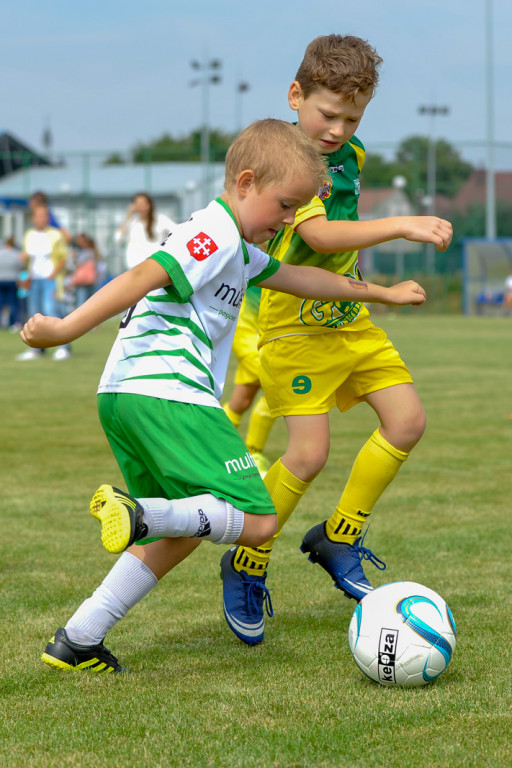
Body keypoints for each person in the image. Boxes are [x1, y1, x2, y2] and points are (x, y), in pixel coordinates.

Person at [21, 118, 427, 673]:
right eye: (284, 206)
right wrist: (65, 329)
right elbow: (144, 274)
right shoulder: (211, 233)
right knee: (255, 520)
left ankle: (78, 638)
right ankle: (141, 514)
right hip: (168, 392)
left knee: (184, 530)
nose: (289, 220)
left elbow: (304, 278)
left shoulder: (239, 247)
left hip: (125, 396)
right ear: (245, 181)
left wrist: (383, 294)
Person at [220, 34, 453, 646]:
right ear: (296, 96)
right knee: (307, 455)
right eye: (328, 114)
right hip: (294, 325)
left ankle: (338, 536)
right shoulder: (287, 163)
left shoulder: (352, 156)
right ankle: (246, 559)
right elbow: (321, 237)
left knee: (406, 422)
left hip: (348, 319)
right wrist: (402, 224)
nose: (337, 129)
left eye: (352, 118)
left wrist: (375, 291)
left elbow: (342, 237)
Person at [223, 286, 275, 477]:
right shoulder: (255, 258)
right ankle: (253, 453)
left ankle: (207, 444)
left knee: (241, 401)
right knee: (278, 387)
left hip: (266, 335)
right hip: (247, 333)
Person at [17, 205, 70, 361]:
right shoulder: (29, 235)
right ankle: (35, 349)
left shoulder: (55, 235)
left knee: (51, 311)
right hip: (34, 279)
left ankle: (64, 347)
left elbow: (63, 257)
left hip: (50, 279)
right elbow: (27, 256)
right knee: (34, 313)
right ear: (33, 218)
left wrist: (53, 274)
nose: (41, 219)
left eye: (44, 216)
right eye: (38, 216)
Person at [116, 192, 176, 270]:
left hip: (154, 267)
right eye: (138, 204)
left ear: (149, 205)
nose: (141, 207)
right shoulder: (132, 222)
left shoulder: (160, 219)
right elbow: (118, 238)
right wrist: (129, 216)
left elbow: (176, 231)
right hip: (134, 268)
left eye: (143, 204)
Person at [71, 233, 99, 308]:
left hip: (83, 280)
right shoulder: (93, 251)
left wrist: (75, 257)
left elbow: (79, 264)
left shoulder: (87, 252)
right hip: (90, 280)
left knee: (81, 303)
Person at [0, 236, 21, 330]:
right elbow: (21, 267)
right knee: (13, 303)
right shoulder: (16, 254)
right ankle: (12, 324)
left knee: (1, 302)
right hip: (12, 280)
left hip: (1, 280)